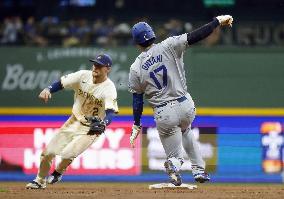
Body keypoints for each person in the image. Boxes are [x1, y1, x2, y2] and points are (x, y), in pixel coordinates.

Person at [128, 15, 233, 186]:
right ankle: (199, 170)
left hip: (164, 112)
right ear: (152, 34)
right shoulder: (169, 45)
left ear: (137, 43)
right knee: (186, 130)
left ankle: (175, 164)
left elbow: (137, 100)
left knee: (175, 155)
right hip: (185, 104)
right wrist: (217, 21)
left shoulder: (135, 67)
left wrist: (136, 124)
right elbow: (196, 35)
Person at [26, 53, 119, 189]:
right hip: (73, 121)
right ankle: (39, 181)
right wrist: (48, 89)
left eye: (100, 66)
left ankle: (58, 172)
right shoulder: (83, 76)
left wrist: (104, 123)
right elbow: (62, 83)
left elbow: (111, 112)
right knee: (47, 153)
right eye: (94, 64)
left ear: (108, 69)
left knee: (67, 154)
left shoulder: (109, 88)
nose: (95, 67)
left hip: (91, 129)